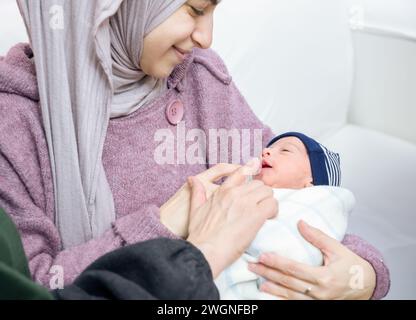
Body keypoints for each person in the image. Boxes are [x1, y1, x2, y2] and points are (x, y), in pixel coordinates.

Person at [0, 0, 389, 299]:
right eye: (196, 9)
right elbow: (34, 286)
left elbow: (297, 201)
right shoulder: (13, 121)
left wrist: (363, 274)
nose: (206, 37)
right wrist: (166, 224)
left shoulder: (200, 76)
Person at [215, 132, 352, 299]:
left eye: (285, 151)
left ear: (311, 181)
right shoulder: (243, 194)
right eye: (267, 149)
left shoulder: (318, 203)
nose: (265, 151)